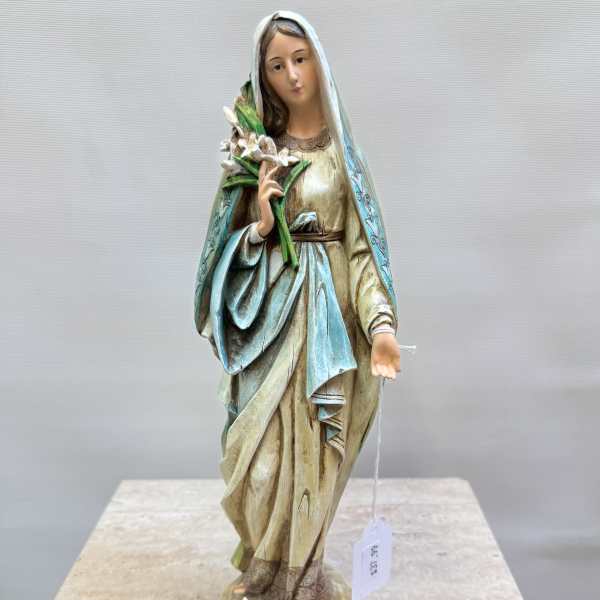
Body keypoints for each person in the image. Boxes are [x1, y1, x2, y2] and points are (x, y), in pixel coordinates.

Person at [194, 11, 401, 599]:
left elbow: (363, 254)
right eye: (276, 65)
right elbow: (224, 256)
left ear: (319, 61)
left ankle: (303, 574)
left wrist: (381, 327)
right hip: (272, 326)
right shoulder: (257, 157)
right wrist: (261, 226)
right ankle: (262, 568)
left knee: (316, 455)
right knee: (258, 461)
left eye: (301, 59)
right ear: (263, 76)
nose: (292, 75)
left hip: (330, 329)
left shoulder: (343, 160)